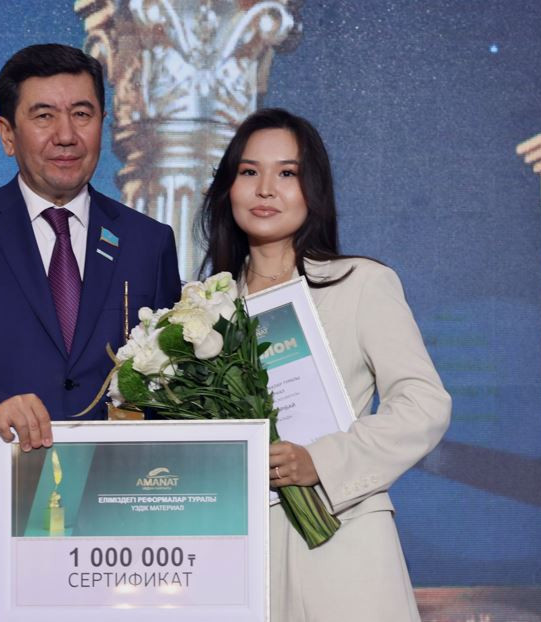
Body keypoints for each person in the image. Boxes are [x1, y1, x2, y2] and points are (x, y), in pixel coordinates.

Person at [0, 43, 182, 620]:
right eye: (43, 115)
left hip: (111, 543)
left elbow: (173, 384)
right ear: (7, 133)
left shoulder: (148, 241)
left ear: (103, 123)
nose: (66, 135)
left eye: (82, 113)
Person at [199, 108, 451, 621]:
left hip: (344, 539)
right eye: (249, 172)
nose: (265, 189)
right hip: (241, 556)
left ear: (313, 188)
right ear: (228, 188)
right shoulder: (202, 316)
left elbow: (424, 404)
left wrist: (323, 461)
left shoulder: (359, 284)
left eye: (286, 173)